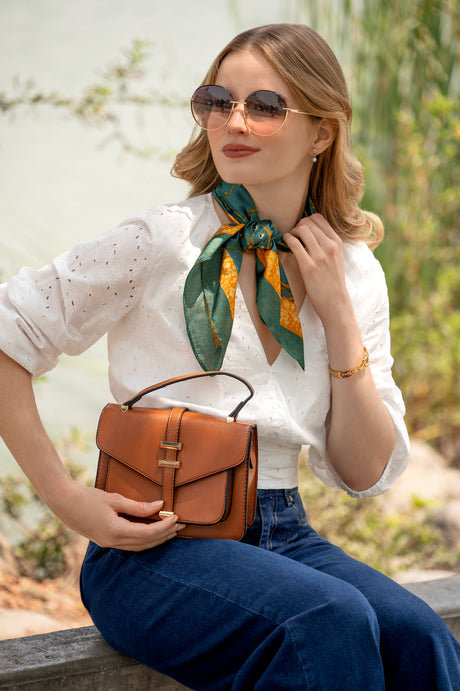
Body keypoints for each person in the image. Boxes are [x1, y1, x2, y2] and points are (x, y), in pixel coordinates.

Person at [0, 22, 459, 690]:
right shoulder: (162, 240)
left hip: (285, 534)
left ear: (322, 132)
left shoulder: (354, 271)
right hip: (154, 544)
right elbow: (9, 334)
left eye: (265, 106)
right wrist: (68, 498)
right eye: (217, 101)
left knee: (417, 635)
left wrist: (336, 311)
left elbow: (362, 469)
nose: (234, 122)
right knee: (326, 620)